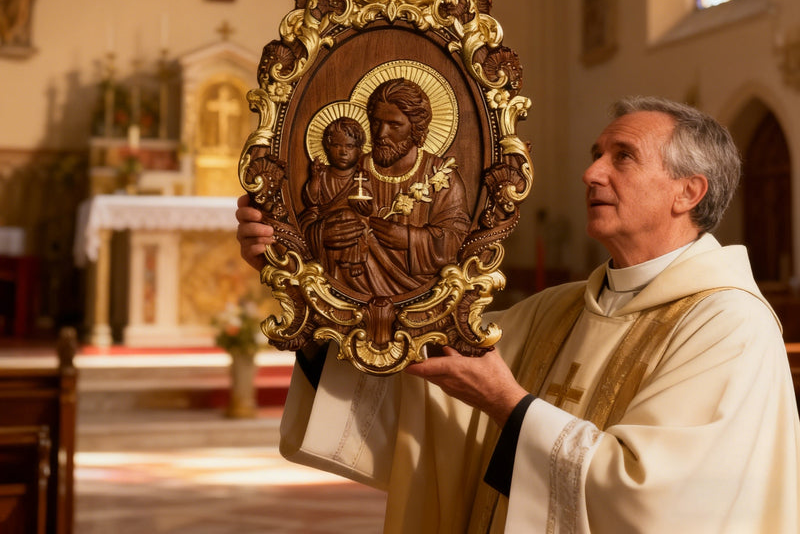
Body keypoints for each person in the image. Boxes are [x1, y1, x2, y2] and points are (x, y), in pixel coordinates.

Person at [236, 96, 800, 532]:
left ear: (688, 192)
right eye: (595, 156)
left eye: (621, 157)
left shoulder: (729, 328)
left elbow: (659, 500)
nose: (591, 173)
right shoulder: (560, 308)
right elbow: (423, 391)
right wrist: (304, 270)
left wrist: (509, 405)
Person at [307, 77, 471, 297]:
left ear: (416, 128)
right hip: (346, 296)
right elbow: (310, 216)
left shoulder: (441, 177)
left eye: (394, 125)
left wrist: (409, 238)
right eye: (375, 122)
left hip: (423, 302)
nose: (380, 134)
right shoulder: (350, 169)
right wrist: (322, 235)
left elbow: (460, 241)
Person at [299, 116, 374, 290]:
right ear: (327, 147)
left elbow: (370, 206)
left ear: (360, 150)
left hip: (353, 225)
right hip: (328, 223)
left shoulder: (361, 176)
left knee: (355, 221)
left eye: (349, 146)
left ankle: (354, 260)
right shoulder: (323, 174)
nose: (343, 152)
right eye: (337, 145)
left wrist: (365, 206)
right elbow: (311, 200)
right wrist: (315, 178)